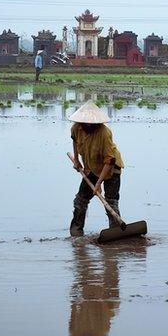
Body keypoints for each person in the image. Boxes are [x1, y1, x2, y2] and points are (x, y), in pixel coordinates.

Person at [69, 101, 125, 237]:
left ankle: (116, 232)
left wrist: (98, 183)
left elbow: (110, 160)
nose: (87, 125)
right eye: (85, 122)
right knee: (80, 200)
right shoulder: (76, 128)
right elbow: (75, 141)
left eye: (90, 123)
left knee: (110, 202)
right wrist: (76, 160)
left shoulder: (104, 133)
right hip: (91, 168)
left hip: (111, 168)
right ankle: (76, 232)